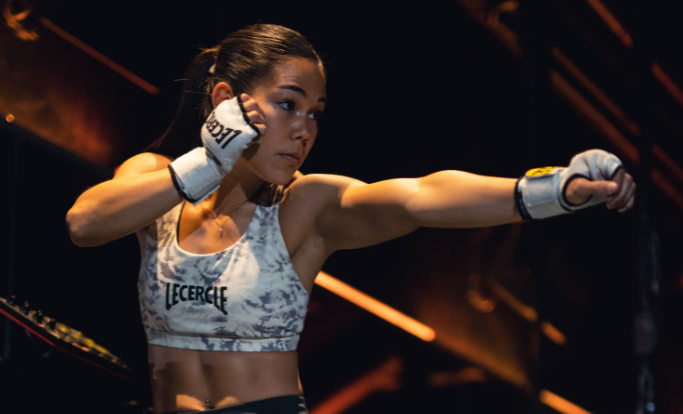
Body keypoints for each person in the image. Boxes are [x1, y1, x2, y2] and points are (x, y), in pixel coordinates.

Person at [66, 24, 636, 414]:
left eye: (315, 113)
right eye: (288, 104)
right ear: (225, 101)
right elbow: (84, 224)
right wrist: (206, 161)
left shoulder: (304, 208)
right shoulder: (156, 180)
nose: (304, 129)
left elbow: (420, 197)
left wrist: (552, 189)